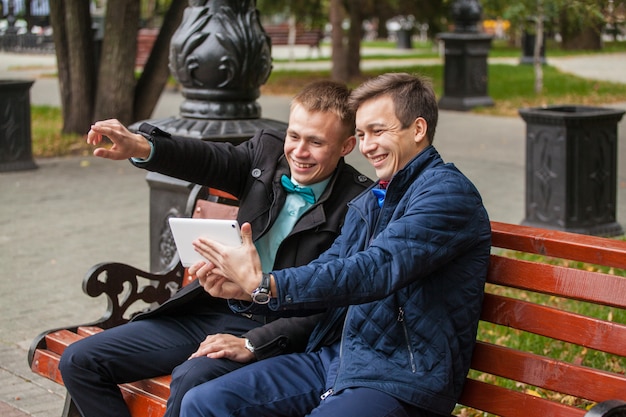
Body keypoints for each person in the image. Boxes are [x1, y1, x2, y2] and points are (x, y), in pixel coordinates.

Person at [180, 73, 492, 417]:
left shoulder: (447, 195)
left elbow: (375, 269)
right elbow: (325, 270)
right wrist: (244, 290)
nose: (367, 145)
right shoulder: (372, 201)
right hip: (338, 358)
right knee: (204, 402)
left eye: (378, 131)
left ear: (417, 130)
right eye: (360, 134)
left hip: (399, 376)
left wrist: (266, 283)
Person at [58, 80, 373, 417]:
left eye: (316, 142)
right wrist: (141, 146)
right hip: (212, 308)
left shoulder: (359, 204)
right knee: (80, 361)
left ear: (346, 145)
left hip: (275, 327)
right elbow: (206, 159)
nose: (299, 151)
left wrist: (254, 343)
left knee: (192, 380)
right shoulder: (265, 155)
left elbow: (330, 305)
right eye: (294, 136)